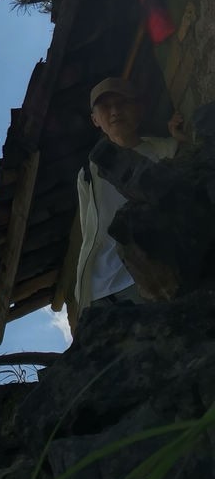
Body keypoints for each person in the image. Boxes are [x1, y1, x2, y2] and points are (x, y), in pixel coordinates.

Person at [74, 76, 186, 318]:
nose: (115, 111)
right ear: (95, 120)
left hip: (152, 278)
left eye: (122, 103)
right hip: (100, 290)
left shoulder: (166, 151)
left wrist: (181, 140)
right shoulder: (88, 172)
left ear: (139, 109)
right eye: (105, 107)